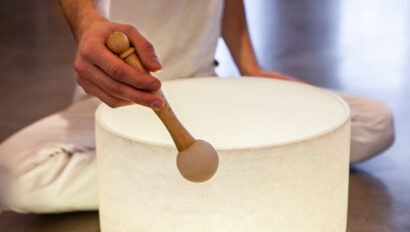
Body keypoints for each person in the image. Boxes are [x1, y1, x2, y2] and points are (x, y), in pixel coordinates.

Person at [0, 0, 394, 213]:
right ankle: (236, 173)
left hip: (208, 86)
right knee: (12, 175)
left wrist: (250, 66)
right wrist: (87, 23)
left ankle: (181, 176)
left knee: (373, 122)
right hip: (118, 98)